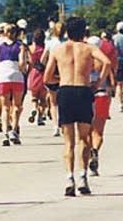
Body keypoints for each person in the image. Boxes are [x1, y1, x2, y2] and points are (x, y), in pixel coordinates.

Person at [43, 17, 110, 196]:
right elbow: (107, 63)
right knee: (84, 138)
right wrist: (97, 83)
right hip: (83, 90)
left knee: (68, 141)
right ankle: (83, 177)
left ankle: (69, 179)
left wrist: (60, 79)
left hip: (65, 91)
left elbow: (46, 77)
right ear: (83, 31)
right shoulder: (88, 48)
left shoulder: (58, 49)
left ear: (67, 32)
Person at [88, 31, 118, 176]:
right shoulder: (104, 61)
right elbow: (112, 82)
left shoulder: (84, 61)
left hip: (86, 96)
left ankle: (88, 155)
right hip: (102, 95)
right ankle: (95, 151)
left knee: (86, 131)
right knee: (98, 132)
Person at [0, 24, 28, 146]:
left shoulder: (0, 47)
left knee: (5, 107)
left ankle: (5, 134)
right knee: (17, 105)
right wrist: (24, 69)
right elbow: (22, 63)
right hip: (17, 77)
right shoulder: (20, 46)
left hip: (3, 77)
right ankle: (14, 129)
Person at [27, 28, 48, 126]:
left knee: (34, 97)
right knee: (43, 98)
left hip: (33, 72)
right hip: (44, 73)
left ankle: (34, 108)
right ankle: (40, 117)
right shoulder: (45, 48)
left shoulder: (30, 48)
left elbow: (30, 62)